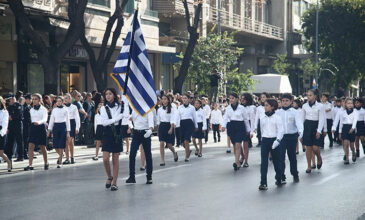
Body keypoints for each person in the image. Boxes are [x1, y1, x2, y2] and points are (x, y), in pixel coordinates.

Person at [100, 88, 128, 191]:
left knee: (115, 158)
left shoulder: (121, 106)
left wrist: (125, 103)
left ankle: (115, 183)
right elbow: (104, 122)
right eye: (106, 94)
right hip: (107, 132)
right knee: (105, 158)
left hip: (117, 132)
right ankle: (109, 176)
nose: (108, 96)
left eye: (110, 94)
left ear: (114, 95)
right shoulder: (103, 108)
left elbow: (125, 115)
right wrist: (117, 118)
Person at [258, 99, 284, 190]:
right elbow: (261, 130)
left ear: (272, 107)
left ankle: (279, 177)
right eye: (264, 105)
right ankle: (263, 182)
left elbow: (281, 131)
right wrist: (262, 140)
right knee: (264, 162)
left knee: (276, 161)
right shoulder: (262, 117)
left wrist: (277, 141)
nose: (265, 107)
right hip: (265, 140)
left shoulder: (277, 117)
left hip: (275, 140)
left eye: (267, 105)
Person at [277, 94, 303, 183]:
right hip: (281, 137)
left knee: (292, 156)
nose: (284, 102)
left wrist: (300, 132)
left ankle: (295, 173)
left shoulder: (295, 112)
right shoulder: (278, 112)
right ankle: (281, 175)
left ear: (291, 102)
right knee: (281, 156)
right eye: (283, 101)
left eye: (286, 101)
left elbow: (299, 124)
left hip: (292, 136)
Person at [222, 93, 250, 171]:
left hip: (240, 126)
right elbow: (225, 118)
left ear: (237, 99)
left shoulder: (242, 108)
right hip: (231, 126)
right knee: (235, 145)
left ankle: (237, 162)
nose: (231, 100)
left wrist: (248, 129)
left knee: (238, 144)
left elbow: (246, 119)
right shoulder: (228, 108)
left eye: (233, 98)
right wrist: (223, 126)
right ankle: (242, 157)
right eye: (230, 98)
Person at [126, 109, 155, 185]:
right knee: (132, 154)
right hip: (136, 132)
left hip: (145, 132)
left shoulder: (148, 110)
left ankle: (149, 177)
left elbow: (151, 123)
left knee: (148, 154)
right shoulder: (135, 109)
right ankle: (132, 176)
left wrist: (150, 130)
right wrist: (131, 127)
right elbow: (129, 119)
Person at [301, 89, 325, 173]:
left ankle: (319, 157)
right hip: (307, 126)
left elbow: (322, 119)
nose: (308, 97)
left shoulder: (320, 106)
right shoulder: (304, 106)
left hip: (316, 126)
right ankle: (309, 166)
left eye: (310, 95)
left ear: (315, 96)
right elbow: (302, 119)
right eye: (307, 95)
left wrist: (319, 130)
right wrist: (301, 131)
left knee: (315, 147)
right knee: (308, 147)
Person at [24, 93, 49, 171]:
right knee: (30, 145)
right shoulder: (31, 109)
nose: (34, 101)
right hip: (33, 128)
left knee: (42, 147)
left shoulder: (44, 109)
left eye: (36, 99)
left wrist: (39, 122)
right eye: (33, 99)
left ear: (40, 100)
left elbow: (45, 119)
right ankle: (30, 164)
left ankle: (46, 162)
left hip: (41, 127)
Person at [48, 96, 71, 168]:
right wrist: (49, 130)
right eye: (57, 101)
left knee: (61, 145)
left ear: (62, 102)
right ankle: (61, 155)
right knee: (55, 145)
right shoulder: (54, 110)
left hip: (63, 126)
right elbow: (51, 120)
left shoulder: (65, 110)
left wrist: (68, 131)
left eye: (60, 101)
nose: (59, 102)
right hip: (56, 127)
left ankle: (60, 162)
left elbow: (67, 121)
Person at [157, 95, 178, 166]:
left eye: (165, 99)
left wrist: (171, 128)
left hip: (169, 126)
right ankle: (162, 160)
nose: (163, 101)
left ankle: (174, 153)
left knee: (169, 145)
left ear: (168, 100)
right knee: (161, 143)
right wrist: (158, 130)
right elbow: (158, 121)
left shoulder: (172, 109)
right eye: (162, 99)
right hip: (162, 127)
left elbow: (173, 118)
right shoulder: (159, 109)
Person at [177, 94, 198, 162]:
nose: (184, 100)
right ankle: (188, 150)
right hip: (182, 124)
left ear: (188, 99)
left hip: (189, 124)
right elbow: (178, 117)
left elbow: (194, 117)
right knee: (183, 143)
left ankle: (187, 157)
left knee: (186, 140)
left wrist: (196, 126)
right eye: (183, 98)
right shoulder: (179, 107)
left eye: (185, 98)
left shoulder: (192, 108)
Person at [339, 98, 358, 164]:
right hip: (345, 128)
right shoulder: (343, 112)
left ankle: (353, 152)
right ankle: (347, 158)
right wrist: (340, 132)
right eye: (348, 103)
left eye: (351, 103)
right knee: (345, 144)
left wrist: (353, 128)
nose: (350, 105)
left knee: (352, 145)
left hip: (351, 127)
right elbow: (341, 123)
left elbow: (355, 120)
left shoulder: (355, 111)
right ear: (345, 104)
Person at [5, 94, 24, 162]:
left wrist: (11, 117)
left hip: (17, 125)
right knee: (10, 141)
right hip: (10, 125)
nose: (9, 101)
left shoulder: (18, 105)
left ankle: (20, 156)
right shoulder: (8, 107)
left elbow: (18, 114)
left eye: (9, 100)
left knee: (19, 140)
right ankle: (8, 156)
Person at [63, 93, 80, 165]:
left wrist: (77, 127)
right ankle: (67, 158)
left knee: (70, 141)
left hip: (72, 123)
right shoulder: (62, 107)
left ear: (70, 99)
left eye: (67, 98)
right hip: (64, 124)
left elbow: (77, 117)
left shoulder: (74, 107)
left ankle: (72, 157)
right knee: (66, 142)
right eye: (64, 98)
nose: (65, 100)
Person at [0, 96, 11, 172]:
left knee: (1, 153)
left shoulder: (4, 112)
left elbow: (5, 124)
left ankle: (9, 162)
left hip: (1, 133)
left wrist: (1, 133)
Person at [23, 94, 32, 159]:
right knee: (25, 139)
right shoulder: (24, 107)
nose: (31, 100)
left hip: (29, 125)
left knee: (29, 140)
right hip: (25, 125)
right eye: (30, 99)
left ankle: (29, 153)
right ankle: (25, 153)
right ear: (26, 99)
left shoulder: (29, 106)